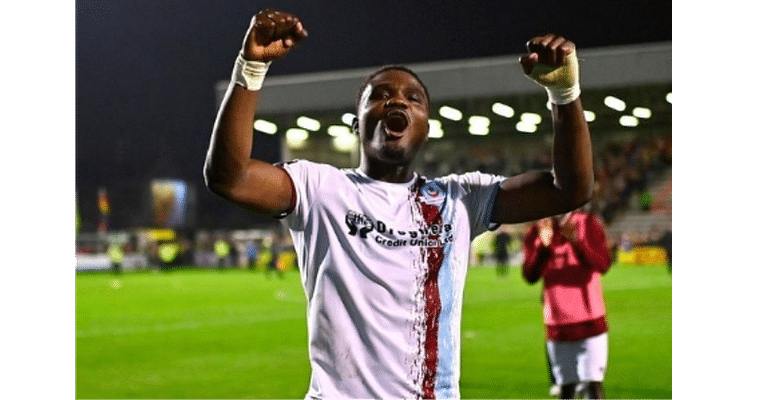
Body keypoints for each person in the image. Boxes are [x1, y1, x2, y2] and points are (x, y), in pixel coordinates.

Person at [203, 8, 594, 400]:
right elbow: (230, 177)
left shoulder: (459, 199)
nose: (398, 102)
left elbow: (570, 190)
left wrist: (564, 95)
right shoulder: (320, 188)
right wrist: (250, 68)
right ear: (356, 123)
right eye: (381, 95)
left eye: (414, 98)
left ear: (427, 126)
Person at [521, 208, 611, 399]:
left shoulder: (587, 223)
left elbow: (603, 264)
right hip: (557, 324)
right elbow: (530, 276)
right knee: (566, 390)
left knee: (592, 388)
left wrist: (578, 243)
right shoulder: (538, 230)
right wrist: (544, 249)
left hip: (591, 321)